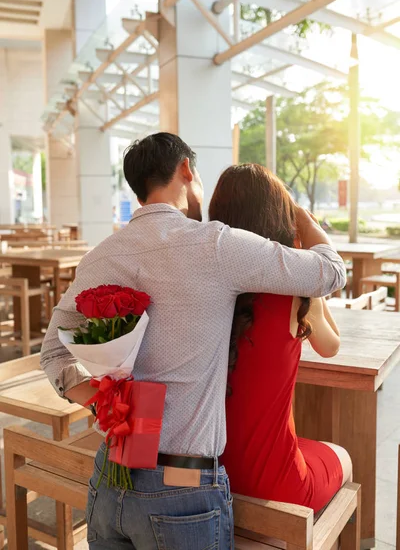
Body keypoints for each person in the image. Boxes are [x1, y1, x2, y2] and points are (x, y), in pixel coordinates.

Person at [40, 133, 346, 549]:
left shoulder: (103, 256)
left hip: (109, 482)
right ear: (186, 170)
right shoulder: (215, 245)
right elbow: (330, 272)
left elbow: (53, 352)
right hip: (182, 490)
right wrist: (306, 222)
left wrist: (110, 403)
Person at [208, 164, 352, 513]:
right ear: (280, 218)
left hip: (212, 472)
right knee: (344, 457)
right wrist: (306, 228)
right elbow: (331, 346)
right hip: (278, 484)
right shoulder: (292, 288)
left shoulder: (210, 285)